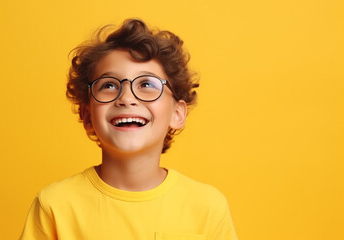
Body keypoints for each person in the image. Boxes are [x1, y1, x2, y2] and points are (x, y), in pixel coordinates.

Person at [20, 18, 238, 240]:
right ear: (87, 116)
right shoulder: (54, 206)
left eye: (146, 84)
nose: (126, 98)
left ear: (177, 114)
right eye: (109, 85)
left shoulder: (207, 207)